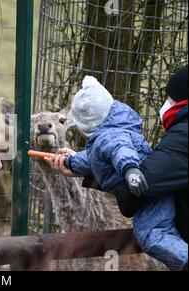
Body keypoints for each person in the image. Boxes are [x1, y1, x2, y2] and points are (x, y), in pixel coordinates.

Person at [45, 69, 188, 271]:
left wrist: (129, 170)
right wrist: (73, 163)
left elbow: (136, 177)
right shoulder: (124, 127)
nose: (166, 103)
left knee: (151, 235)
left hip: (153, 203)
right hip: (161, 200)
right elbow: (101, 155)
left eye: (170, 98)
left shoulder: (182, 137)